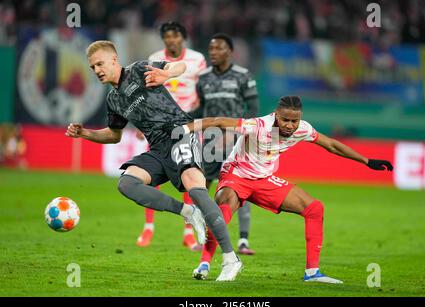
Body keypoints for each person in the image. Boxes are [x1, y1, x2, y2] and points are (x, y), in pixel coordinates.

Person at [65, 40, 242, 281]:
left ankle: (231, 259)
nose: (96, 70)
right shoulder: (113, 100)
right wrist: (86, 133)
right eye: (92, 67)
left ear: (114, 60)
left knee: (197, 189)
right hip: (158, 147)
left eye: (100, 64)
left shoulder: (138, 70)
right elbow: (114, 135)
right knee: (127, 184)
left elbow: (179, 66)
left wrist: (165, 74)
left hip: (180, 133)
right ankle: (188, 212)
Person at [176, 95, 393, 283]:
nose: (290, 125)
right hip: (236, 176)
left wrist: (367, 160)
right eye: (285, 120)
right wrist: (186, 128)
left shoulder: (303, 129)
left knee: (314, 208)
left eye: (294, 121)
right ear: (276, 115)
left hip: (264, 180)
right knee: (222, 212)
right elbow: (220, 121)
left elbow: (332, 145)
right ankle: (204, 265)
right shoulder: (258, 125)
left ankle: (312, 272)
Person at [136, 21, 207, 251]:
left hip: (187, 123)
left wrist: (201, 112)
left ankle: (188, 233)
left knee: (188, 175)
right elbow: (146, 91)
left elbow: (204, 89)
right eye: (167, 36)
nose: (171, 40)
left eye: (175, 36)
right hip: (158, 124)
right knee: (151, 175)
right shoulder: (155, 57)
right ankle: (148, 228)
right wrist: (142, 121)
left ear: (183, 37)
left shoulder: (197, 59)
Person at [194, 33, 259, 255]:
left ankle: (243, 240)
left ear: (229, 51)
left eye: (218, 48)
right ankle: (202, 236)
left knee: (240, 189)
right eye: (211, 48)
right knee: (202, 188)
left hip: (236, 141)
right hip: (210, 141)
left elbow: (252, 110)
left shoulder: (243, 76)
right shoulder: (202, 78)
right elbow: (199, 109)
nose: (213, 52)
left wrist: (241, 135)